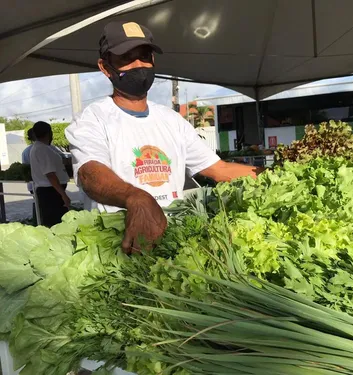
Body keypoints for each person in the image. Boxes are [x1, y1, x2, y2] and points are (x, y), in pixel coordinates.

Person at [66, 21, 260, 253]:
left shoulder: (172, 120)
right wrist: (135, 198)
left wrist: (277, 175)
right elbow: (90, 173)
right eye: (126, 57)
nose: (138, 64)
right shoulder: (92, 120)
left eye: (144, 56)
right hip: (121, 248)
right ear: (105, 67)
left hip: (175, 246)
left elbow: (219, 170)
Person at [30, 121, 71, 227]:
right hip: (50, 192)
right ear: (49, 133)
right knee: (56, 223)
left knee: (56, 222)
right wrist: (63, 195)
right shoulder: (42, 149)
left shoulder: (42, 147)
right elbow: (50, 175)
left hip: (50, 191)